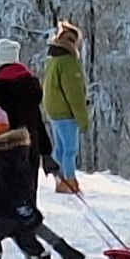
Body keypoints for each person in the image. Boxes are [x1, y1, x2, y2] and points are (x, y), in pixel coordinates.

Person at [0, 106, 85, 259]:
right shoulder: (16, 150)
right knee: (25, 237)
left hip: (6, 209)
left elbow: (1, 182)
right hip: (20, 205)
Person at [0, 38, 55, 179]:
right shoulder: (28, 86)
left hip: (6, 150)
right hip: (30, 150)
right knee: (27, 190)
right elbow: (37, 122)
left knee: (6, 189)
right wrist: (46, 151)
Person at [42, 23, 89, 195]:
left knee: (60, 148)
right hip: (66, 114)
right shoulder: (68, 63)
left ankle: (59, 179)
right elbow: (74, 95)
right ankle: (69, 180)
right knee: (70, 149)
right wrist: (83, 120)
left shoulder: (53, 60)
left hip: (54, 112)